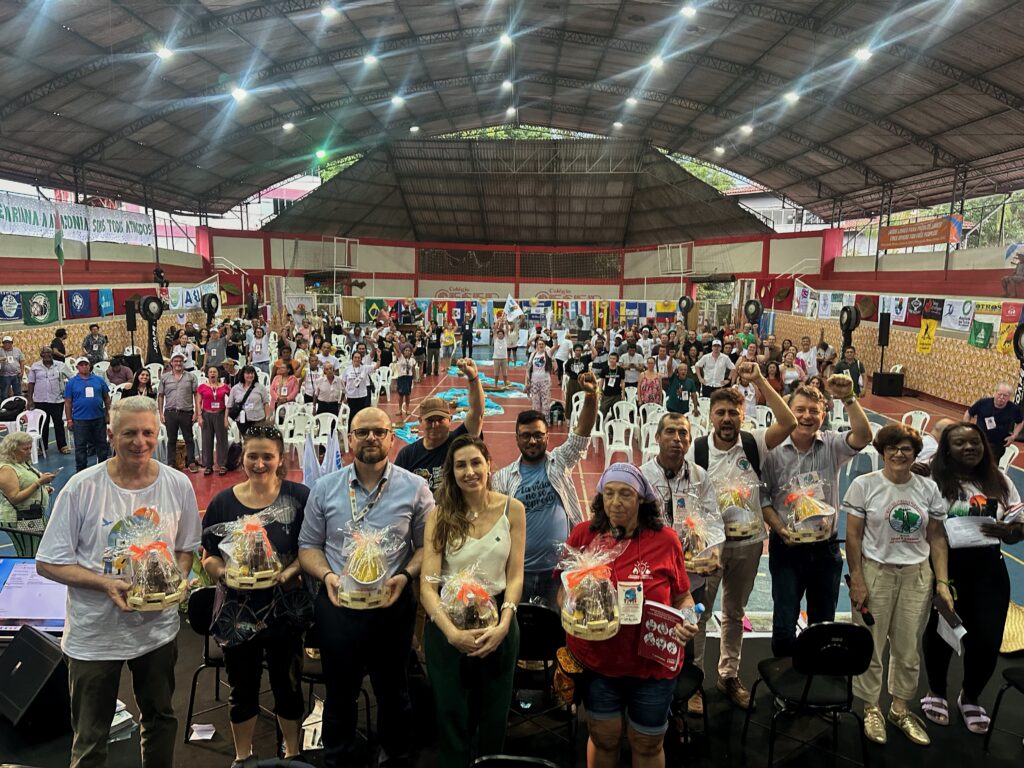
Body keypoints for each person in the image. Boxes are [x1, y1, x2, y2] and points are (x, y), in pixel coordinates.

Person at [35, 395, 201, 768]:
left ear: (158, 434)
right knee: (91, 736)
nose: (139, 442)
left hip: (156, 631)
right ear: (110, 435)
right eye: (129, 433)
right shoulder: (82, 488)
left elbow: (187, 549)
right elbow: (48, 563)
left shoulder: (177, 485)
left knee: (160, 720)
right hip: (95, 635)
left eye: (147, 432)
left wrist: (180, 578)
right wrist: (105, 584)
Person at [298, 407, 434, 768]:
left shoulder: (415, 488)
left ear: (392, 437)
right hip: (338, 607)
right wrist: (328, 576)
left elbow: (427, 547)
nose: (371, 438)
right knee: (340, 693)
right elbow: (308, 548)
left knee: (394, 691)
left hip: (392, 606)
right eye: (362, 432)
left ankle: (397, 757)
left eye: (379, 431)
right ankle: (338, 758)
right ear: (350, 439)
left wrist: (404, 577)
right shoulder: (325, 488)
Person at [563, 464, 699, 768]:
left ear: (641, 499)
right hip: (599, 662)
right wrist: (572, 604)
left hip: (652, 664)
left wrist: (689, 618)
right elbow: (563, 590)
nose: (616, 502)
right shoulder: (584, 534)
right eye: (609, 493)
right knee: (604, 737)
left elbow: (682, 596)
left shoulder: (665, 540)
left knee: (648, 743)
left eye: (625, 494)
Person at [684, 363, 797, 710]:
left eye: (734, 412)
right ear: (710, 416)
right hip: (711, 549)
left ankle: (729, 675)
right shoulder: (697, 451)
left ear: (743, 415)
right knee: (700, 615)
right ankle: (694, 682)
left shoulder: (754, 444)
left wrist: (760, 379)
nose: (727, 418)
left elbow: (789, 422)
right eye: (721, 413)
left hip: (749, 545)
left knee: (734, 613)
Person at [202, 425, 310, 767]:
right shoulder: (223, 502)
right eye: (253, 456)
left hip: (285, 610)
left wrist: (289, 572)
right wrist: (225, 574)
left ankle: (292, 753)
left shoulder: (298, 497)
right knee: (242, 688)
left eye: (267, 456)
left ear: (280, 459)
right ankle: (243, 757)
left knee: (288, 685)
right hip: (238, 612)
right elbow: (209, 557)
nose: (260, 463)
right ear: (242, 458)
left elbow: (310, 550)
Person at [843, 423, 952, 746]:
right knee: (870, 644)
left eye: (906, 449)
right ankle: (872, 707)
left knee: (907, 648)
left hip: (916, 575)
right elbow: (853, 536)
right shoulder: (864, 486)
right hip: (876, 572)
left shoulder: (927, 489)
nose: (899, 454)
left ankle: (900, 708)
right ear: (882, 451)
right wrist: (858, 579)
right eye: (892, 448)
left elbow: (936, 537)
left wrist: (942, 582)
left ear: (916, 454)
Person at [420, 435, 526, 766]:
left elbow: (515, 576)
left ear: (488, 465)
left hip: (499, 621)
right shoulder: (439, 516)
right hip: (447, 622)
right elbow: (428, 584)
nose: (469, 471)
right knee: (451, 714)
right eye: (460, 465)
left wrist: (505, 623)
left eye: (475, 462)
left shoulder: (513, 509)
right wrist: (451, 633)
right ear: (451, 472)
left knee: (495, 715)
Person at [920, 422, 1024, 735]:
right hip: (946, 569)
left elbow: (1019, 527)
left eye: (975, 442)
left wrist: (1010, 532)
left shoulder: (1000, 482)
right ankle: (936, 690)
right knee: (942, 632)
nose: (969, 448)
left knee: (988, 640)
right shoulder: (932, 479)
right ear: (946, 450)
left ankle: (971, 695)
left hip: (989, 571)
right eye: (961, 443)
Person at [760, 379, 872, 656]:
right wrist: (779, 528)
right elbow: (762, 498)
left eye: (814, 411)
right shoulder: (772, 451)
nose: (807, 416)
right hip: (787, 548)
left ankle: (817, 683)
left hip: (826, 549)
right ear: (788, 411)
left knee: (824, 623)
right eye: (800, 410)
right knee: (784, 622)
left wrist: (848, 398)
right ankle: (785, 685)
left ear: (823, 415)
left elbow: (864, 436)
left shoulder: (832, 444)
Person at [492, 372, 599, 605]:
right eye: (526, 436)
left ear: (548, 436)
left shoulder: (559, 462)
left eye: (538, 435)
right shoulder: (501, 479)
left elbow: (582, 433)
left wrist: (591, 395)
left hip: (561, 571)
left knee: (558, 631)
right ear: (517, 438)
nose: (532, 441)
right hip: (520, 573)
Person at [395, 359, 483, 492]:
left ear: (450, 419)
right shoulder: (407, 455)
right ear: (420, 421)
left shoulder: (460, 441)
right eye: (430, 420)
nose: (435, 425)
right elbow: (396, 490)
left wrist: (473, 378)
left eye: (440, 419)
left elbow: (477, 413)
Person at [65, 357, 111, 474]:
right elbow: (68, 402)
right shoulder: (72, 383)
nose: (84, 366)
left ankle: (103, 469)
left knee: (101, 444)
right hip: (80, 420)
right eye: (81, 365)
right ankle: (81, 472)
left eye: (86, 364)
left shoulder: (99, 380)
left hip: (98, 418)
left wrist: (108, 414)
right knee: (80, 447)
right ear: (77, 367)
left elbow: (106, 398)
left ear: (90, 366)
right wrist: (69, 419)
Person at [0, 431, 55, 530]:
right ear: (12, 450)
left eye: (30, 448)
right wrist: (39, 483)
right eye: (25, 449)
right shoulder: (6, 469)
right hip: (19, 517)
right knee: (31, 545)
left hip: (32, 515)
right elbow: (14, 498)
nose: (29, 451)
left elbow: (24, 485)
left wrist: (43, 490)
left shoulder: (22, 462)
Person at [157, 352, 200, 474]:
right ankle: (171, 463)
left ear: (183, 363)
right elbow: (160, 396)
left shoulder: (191, 377)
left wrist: (197, 412)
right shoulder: (165, 378)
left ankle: (191, 462)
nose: (178, 363)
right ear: (171, 363)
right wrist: (161, 413)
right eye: (175, 361)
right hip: (170, 412)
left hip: (186, 412)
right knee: (171, 439)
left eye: (180, 361)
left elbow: (196, 395)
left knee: (189, 438)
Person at [27, 345, 73, 455]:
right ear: (41, 355)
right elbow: (31, 383)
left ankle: (62, 446)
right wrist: (30, 400)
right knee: (42, 424)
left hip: (57, 399)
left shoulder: (60, 365)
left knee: (58, 423)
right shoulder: (35, 366)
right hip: (40, 400)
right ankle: (42, 447)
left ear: (52, 354)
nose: (46, 355)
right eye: (44, 353)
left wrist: (69, 394)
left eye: (48, 353)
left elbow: (72, 378)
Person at [963, 383, 1023, 463]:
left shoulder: (1013, 409)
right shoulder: (983, 403)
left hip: (997, 445)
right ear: (995, 393)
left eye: (1005, 395)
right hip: (978, 440)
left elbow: (1020, 422)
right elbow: (968, 413)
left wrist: (1014, 436)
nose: (1001, 397)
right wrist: (967, 428)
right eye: (999, 394)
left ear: (1009, 397)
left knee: (989, 465)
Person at [198, 365, 231, 476]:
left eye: (215, 372)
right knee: (207, 440)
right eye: (210, 372)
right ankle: (208, 465)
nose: (212, 374)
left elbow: (230, 403)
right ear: (207, 374)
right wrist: (199, 416)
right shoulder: (202, 387)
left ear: (218, 374)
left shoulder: (225, 387)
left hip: (220, 414)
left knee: (222, 440)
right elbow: (198, 403)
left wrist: (226, 418)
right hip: (206, 414)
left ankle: (222, 464)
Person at [229, 365, 272, 435]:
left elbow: (266, 403)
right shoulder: (235, 388)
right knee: (247, 440)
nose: (250, 375)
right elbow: (229, 405)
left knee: (257, 441)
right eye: (248, 373)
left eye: (252, 373)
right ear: (243, 374)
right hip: (242, 419)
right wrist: (225, 419)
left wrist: (267, 418)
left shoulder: (261, 387)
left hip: (258, 419)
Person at [341, 350, 377, 423]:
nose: (357, 359)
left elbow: (377, 366)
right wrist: (344, 396)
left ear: (361, 359)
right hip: (351, 396)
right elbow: (343, 383)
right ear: (352, 358)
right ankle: (351, 431)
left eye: (358, 358)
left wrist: (379, 356)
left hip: (362, 395)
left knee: (362, 415)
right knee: (352, 415)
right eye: (355, 357)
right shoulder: (347, 370)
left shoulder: (365, 368)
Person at [526, 338, 555, 420]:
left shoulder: (547, 353)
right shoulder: (533, 355)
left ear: (545, 346)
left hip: (545, 381)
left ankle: (545, 420)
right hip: (534, 382)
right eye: (539, 344)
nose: (541, 345)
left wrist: (554, 338)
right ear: (536, 345)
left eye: (542, 344)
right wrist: (527, 382)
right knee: (535, 401)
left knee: (545, 401)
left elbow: (555, 346)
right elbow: (528, 369)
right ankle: (536, 419)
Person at [393, 345, 418, 420]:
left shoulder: (412, 360)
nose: (407, 352)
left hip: (408, 378)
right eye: (406, 350)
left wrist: (415, 378)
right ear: (403, 351)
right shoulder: (400, 357)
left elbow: (413, 369)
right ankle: (400, 409)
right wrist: (395, 341)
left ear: (411, 352)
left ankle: (407, 409)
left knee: (407, 394)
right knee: (400, 395)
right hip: (401, 377)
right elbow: (397, 349)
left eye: (409, 350)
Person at [597, 352, 624, 417]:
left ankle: (613, 426)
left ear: (617, 360)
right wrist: (599, 392)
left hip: (617, 395)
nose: (612, 360)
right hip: (606, 394)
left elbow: (622, 382)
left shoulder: (621, 370)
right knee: (602, 411)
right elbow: (601, 381)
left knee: (616, 413)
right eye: (610, 358)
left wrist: (622, 394)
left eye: (614, 358)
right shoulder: (605, 369)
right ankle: (598, 426)